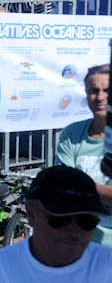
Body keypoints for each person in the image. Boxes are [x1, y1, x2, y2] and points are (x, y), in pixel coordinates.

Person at [0, 165, 112, 282]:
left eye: (87, 221)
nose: (74, 230)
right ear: (31, 214)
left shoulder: (107, 264)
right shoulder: (2, 266)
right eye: (60, 220)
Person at [55, 64, 111, 245]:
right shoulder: (71, 134)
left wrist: (80, 184)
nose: (100, 97)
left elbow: (70, 185)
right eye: (94, 91)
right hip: (78, 242)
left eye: (107, 90)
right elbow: (62, 189)